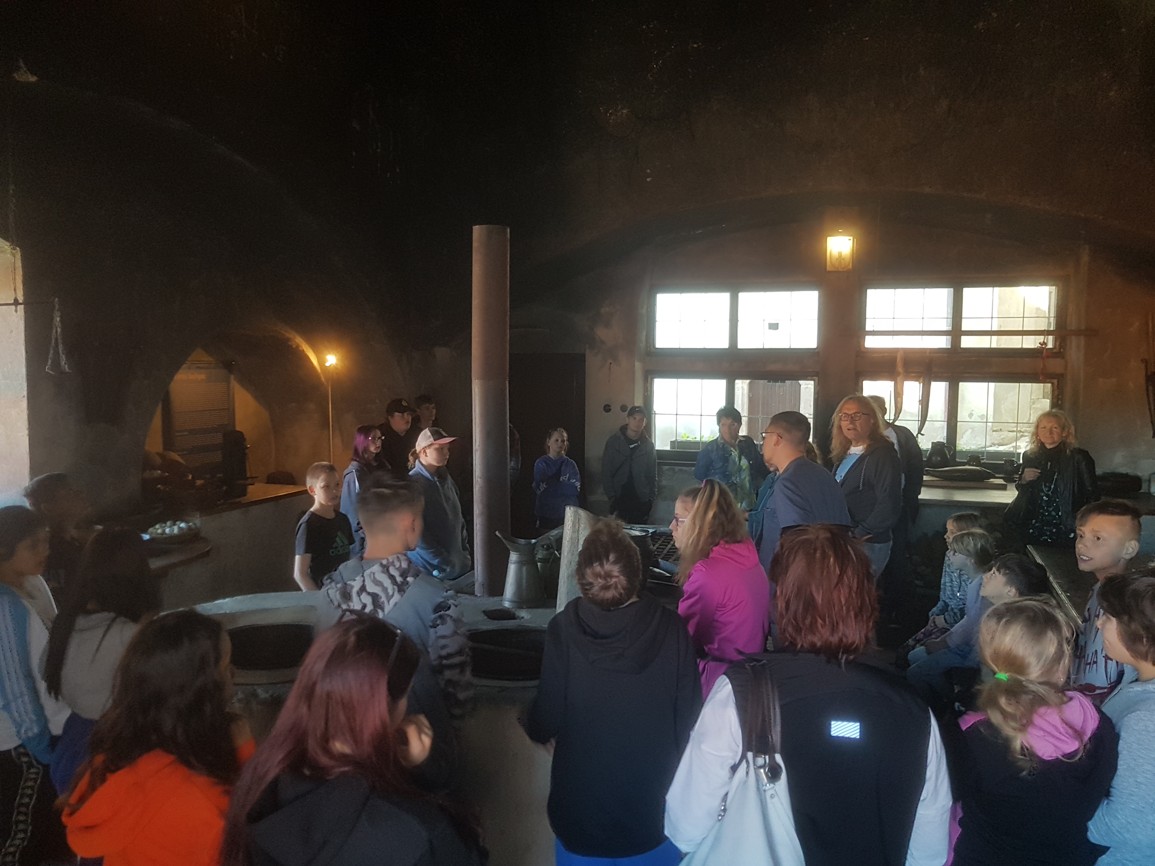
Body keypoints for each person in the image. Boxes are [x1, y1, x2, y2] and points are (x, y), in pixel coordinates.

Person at [665, 525, 951, 866]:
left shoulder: (743, 691)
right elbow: (929, 852)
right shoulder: (914, 712)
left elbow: (685, 827)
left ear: (784, 601)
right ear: (866, 601)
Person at [220, 615, 485, 866]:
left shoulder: (261, 781)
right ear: (382, 709)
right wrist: (425, 778)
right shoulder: (418, 831)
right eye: (406, 694)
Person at [527, 521, 701, 866]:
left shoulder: (563, 629)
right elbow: (690, 717)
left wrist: (531, 723)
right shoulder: (672, 629)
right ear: (638, 572)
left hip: (581, 814)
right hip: (653, 810)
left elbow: (546, 718)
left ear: (582, 578)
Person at [63, 609, 255, 865]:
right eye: (226, 666)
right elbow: (250, 835)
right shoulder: (196, 799)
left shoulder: (116, 754)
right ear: (199, 691)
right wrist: (244, 753)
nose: (233, 673)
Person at [325, 481, 472, 788]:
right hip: (420, 753)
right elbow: (456, 686)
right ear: (410, 523)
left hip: (345, 752)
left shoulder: (329, 591)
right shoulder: (437, 599)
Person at [952, 598, 1118, 866]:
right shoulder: (1099, 723)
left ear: (991, 659)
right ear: (1062, 664)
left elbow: (948, 797)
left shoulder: (973, 735)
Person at [43, 527, 161, 795]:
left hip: (71, 746)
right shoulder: (128, 634)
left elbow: (45, 670)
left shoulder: (66, 623)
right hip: (114, 753)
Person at [0, 506, 71, 864]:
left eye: (46, 542)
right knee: (16, 840)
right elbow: (15, 688)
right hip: (21, 743)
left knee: (44, 833)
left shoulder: (32, 584)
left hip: (45, 730)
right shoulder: (4, 606)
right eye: (33, 545)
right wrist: (44, 751)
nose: (45, 551)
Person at [907, 552, 1046, 707]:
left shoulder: (1016, 630)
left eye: (994, 574)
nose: (985, 576)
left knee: (916, 672)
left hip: (989, 680)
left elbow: (1010, 676)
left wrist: (995, 678)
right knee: (916, 659)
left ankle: (946, 705)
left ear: (1011, 591)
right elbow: (969, 624)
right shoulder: (992, 608)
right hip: (972, 658)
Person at [671, 480, 771, 697]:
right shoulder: (748, 558)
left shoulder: (707, 574)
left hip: (719, 683)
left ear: (699, 524)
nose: (671, 527)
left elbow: (684, 640)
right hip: (751, 675)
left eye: (678, 520)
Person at [1088, 568, 1155, 864]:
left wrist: (1059, 812)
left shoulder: (1146, 721)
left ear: (1142, 635)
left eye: (1109, 617)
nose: (1099, 623)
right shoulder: (1136, 676)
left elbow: (1126, 826)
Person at [752, 410, 850, 570]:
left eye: (765, 437)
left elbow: (796, 545)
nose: (763, 443)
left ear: (776, 439)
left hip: (791, 577)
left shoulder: (788, 483)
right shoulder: (823, 475)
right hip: (830, 570)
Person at [1069, 499, 1142, 704]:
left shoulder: (1126, 606)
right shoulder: (1099, 590)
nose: (1082, 544)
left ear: (1129, 550)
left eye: (1098, 538)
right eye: (1081, 535)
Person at [828, 394, 903, 578]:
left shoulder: (883, 455)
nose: (849, 421)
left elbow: (889, 503)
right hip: (844, 539)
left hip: (867, 543)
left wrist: (860, 533)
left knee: (857, 592)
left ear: (872, 420)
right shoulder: (844, 453)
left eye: (857, 415)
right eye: (844, 416)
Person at [897, 526, 994, 668]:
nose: (949, 554)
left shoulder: (982, 588)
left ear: (970, 560)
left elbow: (970, 624)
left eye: (955, 552)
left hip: (971, 650)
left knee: (916, 664)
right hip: (960, 639)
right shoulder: (975, 583)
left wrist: (944, 641)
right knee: (912, 655)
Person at [868, 395, 926, 625]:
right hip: (868, 510)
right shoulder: (860, 438)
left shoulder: (901, 435)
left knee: (897, 556)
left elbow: (916, 467)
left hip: (899, 504)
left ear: (884, 411)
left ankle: (897, 611)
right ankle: (872, 610)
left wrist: (910, 497)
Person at [1006, 409, 1099, 547]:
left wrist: (1082, 522)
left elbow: (1092, 495)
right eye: (1043, 427)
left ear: (1064, 432)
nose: (1048, 432)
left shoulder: (1079, 457)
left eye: (1054, 428)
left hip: (1066, 522)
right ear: (1037, 432)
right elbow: (1022, 489)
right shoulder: (1030, 456)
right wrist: (1024, 479)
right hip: (1034, 521)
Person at [407, 428, 472, 583]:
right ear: (424, 451)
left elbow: (458, 516)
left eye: (447, 449)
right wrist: (441, 560)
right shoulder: (412, 485)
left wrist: (464, 551)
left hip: (455, 566)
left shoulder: (446, 479)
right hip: (430, 571)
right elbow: (415, 533)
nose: (446, 453)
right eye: (440, 449)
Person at [23, 472, 94, 599]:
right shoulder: (47, 552)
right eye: (70, 492)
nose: (81, 495)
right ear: (48, 508)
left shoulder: (75, 543)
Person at [292, 462, 353, 591]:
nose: (334, 491)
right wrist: (318, 598)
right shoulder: (309, 525)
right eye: (326, 486)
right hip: (322, 590)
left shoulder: (343, 519)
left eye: (337, 485)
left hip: (343, 589)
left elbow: (349, 559)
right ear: (312, 490)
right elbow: (300, 574)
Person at [692, 406, 767, 511]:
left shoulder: (747, 444)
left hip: (749, 505)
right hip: (721, 506)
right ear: (718, 426)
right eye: (723, 425)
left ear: (739, 425)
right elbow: (699, 474)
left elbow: (761, 468)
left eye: (732, 425)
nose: (727, 429)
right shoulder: (710, 449)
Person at [601, 405, 658, 524]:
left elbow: (652, 474)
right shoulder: (614, 442)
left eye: (641, 419)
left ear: (645, 422)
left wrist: (650, 499)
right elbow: (606, 471)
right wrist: (611, 497)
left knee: (639, 532)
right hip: (619, 496)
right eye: (634, 418)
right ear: (627, 419)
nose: (637, 422)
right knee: (617, 532)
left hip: (640, 496)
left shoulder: (648, 446)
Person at [341, 424, 388, 557]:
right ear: (362, 441)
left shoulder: (382, 466)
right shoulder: (355, 474)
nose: (378, 442)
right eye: (373, 438)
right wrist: (366, 535)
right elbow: (352, 511)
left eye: (380, 438)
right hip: (363, 540)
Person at [533, 427, 582, 533]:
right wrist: (564, 486)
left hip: (567, 515)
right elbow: (543, 489)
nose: (560, 443)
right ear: (548, 442)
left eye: (563, 441)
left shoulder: (570, 464)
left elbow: (575, 489)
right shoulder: (541, 463)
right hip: (547, 514)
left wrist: (554, 485)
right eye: (556, 440)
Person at [379, 398, 418, 480]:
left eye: (408, 414)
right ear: (390, 417)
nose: (407, 418)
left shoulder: (417, 433)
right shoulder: (380, 437)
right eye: (402, 414)